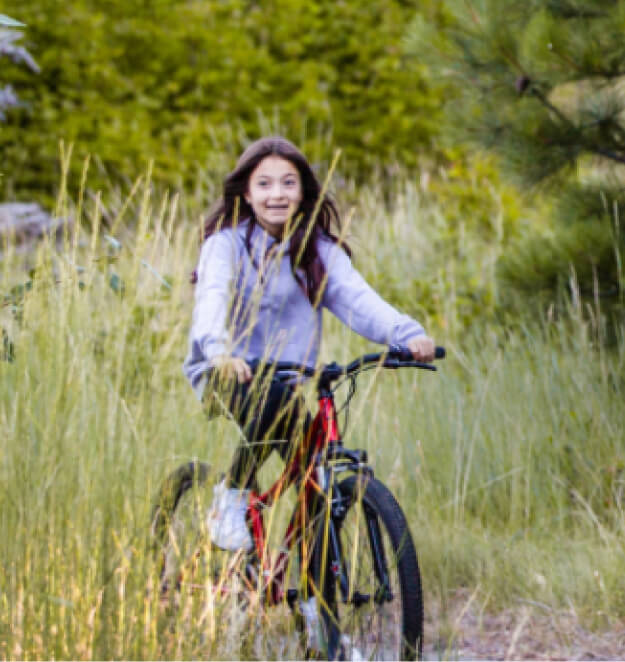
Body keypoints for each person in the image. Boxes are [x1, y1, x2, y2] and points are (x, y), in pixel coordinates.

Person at [183, 136, 439, 552]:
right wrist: (219, 352)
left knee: (314, 473)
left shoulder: (316, 250)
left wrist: (407, 335)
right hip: (226, 370)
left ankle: (311, 598)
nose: (277, 194)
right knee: (271, 399)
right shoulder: (225, 245)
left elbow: (358, 299)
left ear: (303, 192)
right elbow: (212, 298)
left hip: (289, 376)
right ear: (246, 194)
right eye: (264, 184)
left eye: (288, 183)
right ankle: (229, 499)